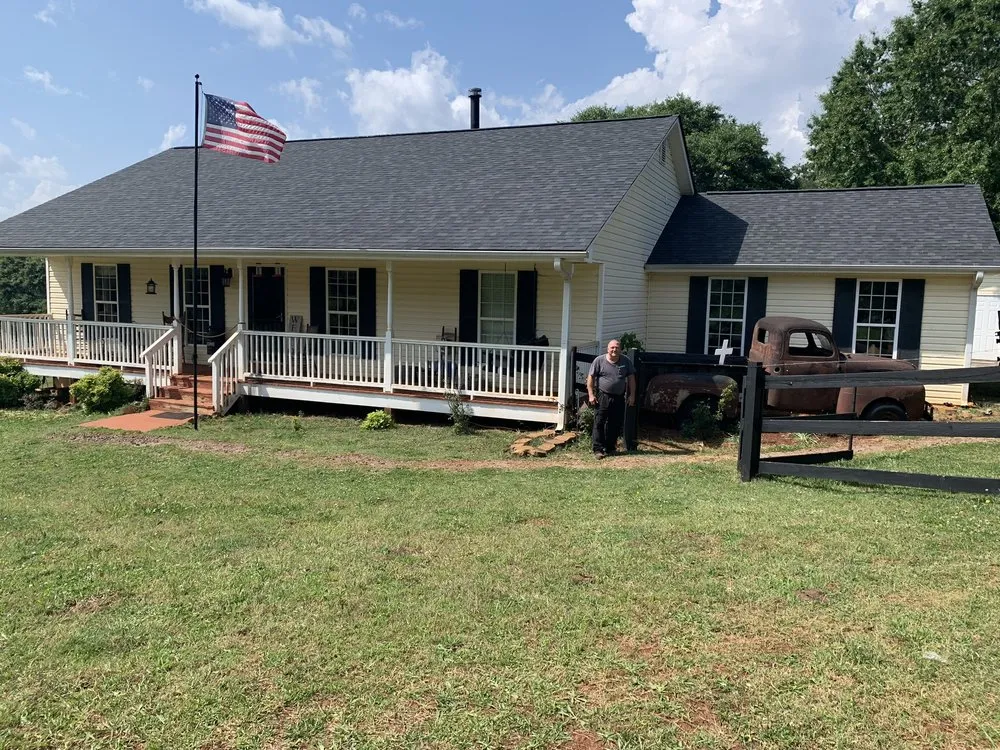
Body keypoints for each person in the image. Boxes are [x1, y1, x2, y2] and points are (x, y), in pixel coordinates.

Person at [586, 339, 636, 458]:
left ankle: (610, 448)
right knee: (599, 422)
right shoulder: (599, 361)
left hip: (619, 397)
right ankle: (598, 449)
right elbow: (591, 378)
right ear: (607, 349)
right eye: (612, 347)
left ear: (620, 349)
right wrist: (591, 394)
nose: (614, 350)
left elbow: (631, 379)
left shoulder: (626, 361)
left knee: (615, 423)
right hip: (603, 396)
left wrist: (632, 395)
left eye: (617, 347)